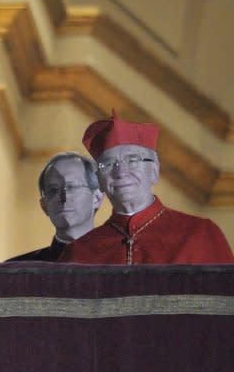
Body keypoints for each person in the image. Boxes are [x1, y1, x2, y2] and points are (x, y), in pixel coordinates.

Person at [61, 112, 234, 264]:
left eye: (133, 160)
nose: (120, 172)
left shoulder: (200, 234)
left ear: (154, 170)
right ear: (99, 180)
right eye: (108, 163)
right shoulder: (78, 253)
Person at [7, 152, 103, 261]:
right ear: (44, 206)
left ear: (97, 198)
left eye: (72, 187)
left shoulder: (120, 263)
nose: (63, 198)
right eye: (53, 190)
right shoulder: (17, 270)